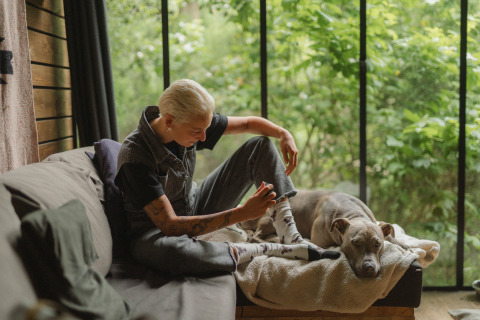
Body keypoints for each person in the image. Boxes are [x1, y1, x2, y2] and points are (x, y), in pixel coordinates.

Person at [114, 79, 339, 276]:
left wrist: (282, 132)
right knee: (173, 254)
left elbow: (249, 124)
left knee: (260, 146)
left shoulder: (191, 121)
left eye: (206, 129)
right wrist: (242, 213)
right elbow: (170, 226)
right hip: (154, 234)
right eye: (197, 132)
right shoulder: (135, 158)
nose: (203, 137)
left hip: (192, 203)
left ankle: (291, 238)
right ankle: (270, 250)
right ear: (170, 121)